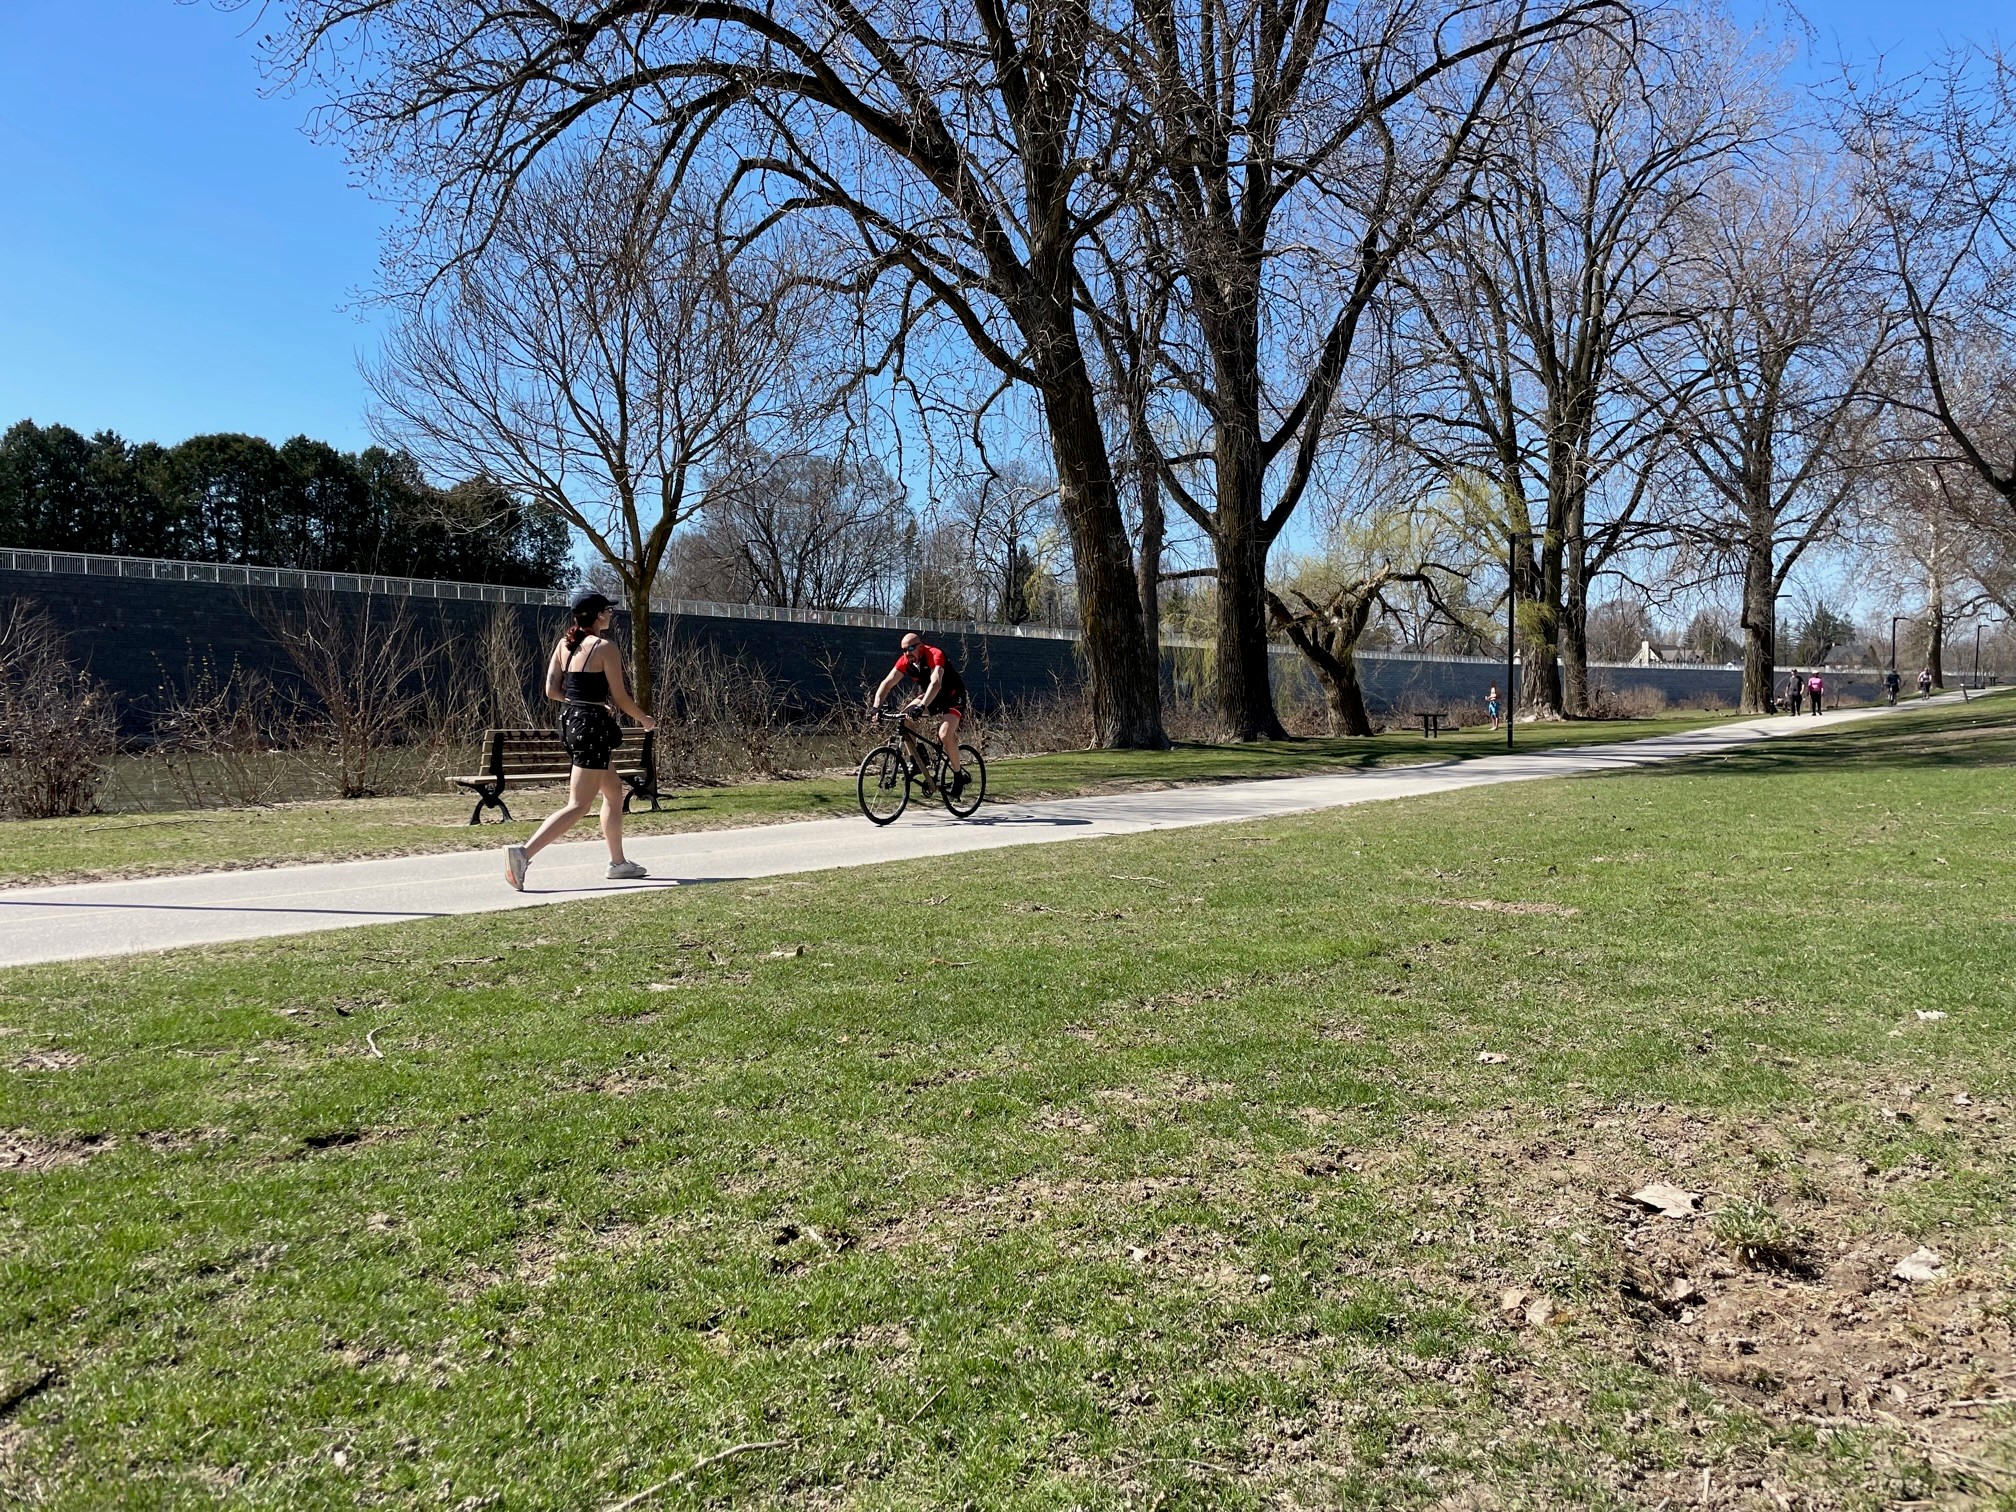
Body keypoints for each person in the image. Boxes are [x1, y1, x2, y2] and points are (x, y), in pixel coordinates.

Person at [504, 592, 656, 890]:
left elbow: (552, 690)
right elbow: (621, 697)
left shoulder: (564, 645)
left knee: (613, 792)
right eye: (607, 610)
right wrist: (644, 719)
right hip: (591, 729)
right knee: (578, 804)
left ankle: (618, 863)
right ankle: (523, 854)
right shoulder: (604, 647)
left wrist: (583, 704)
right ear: (598, 615)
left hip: (571, 722)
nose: (611, 614)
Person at [871, 632, 971, 797]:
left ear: (921, 646)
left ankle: (958, 776)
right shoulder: (905, 661)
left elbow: (936, 683)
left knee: (944, 734)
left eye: (910, 648)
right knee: (905, 718)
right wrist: (876, 707)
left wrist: (921, 706)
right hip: (931, 697)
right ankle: (917, 760)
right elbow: (887, 684)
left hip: (953, 696)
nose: (907, 653)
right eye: (904, 650)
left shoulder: (935, 654)